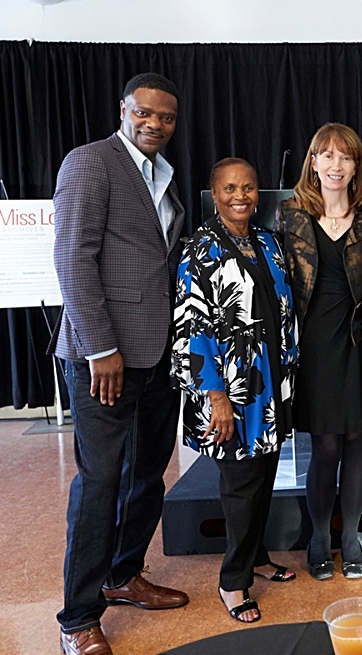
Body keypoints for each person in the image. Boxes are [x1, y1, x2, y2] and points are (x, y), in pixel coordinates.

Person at [51, 72, 188, 655]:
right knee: (101, 481)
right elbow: (73, 259)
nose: (155, 123)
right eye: (146, 113)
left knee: (147, 475)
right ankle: (78, 617)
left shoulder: (163, 177)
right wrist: (100, 348)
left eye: (167, 117)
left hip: (157, 357)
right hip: (102, 357)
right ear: (125, 109)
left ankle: (123, 574)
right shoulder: (90, 162)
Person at [173, 158, 298, 623]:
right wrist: (216, 396)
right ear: (214, 192)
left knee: (264, 477)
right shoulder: (199, 249)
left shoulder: (266, 242)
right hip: (232, 390)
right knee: (241, 487)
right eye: (229, 188)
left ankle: (257, 556)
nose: (240, 195)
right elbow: (192, 328)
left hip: (270, 387)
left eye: (248, 187)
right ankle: (233, 581)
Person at [278, 123, 362, 581]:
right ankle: (319, 536)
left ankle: (350, 540)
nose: (335, 165)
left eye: (346, 157)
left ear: (356, 166)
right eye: (327, 155)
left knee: (358, 441)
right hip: (315, 345)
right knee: (324, 445)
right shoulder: (290, 217)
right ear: (313, 163)